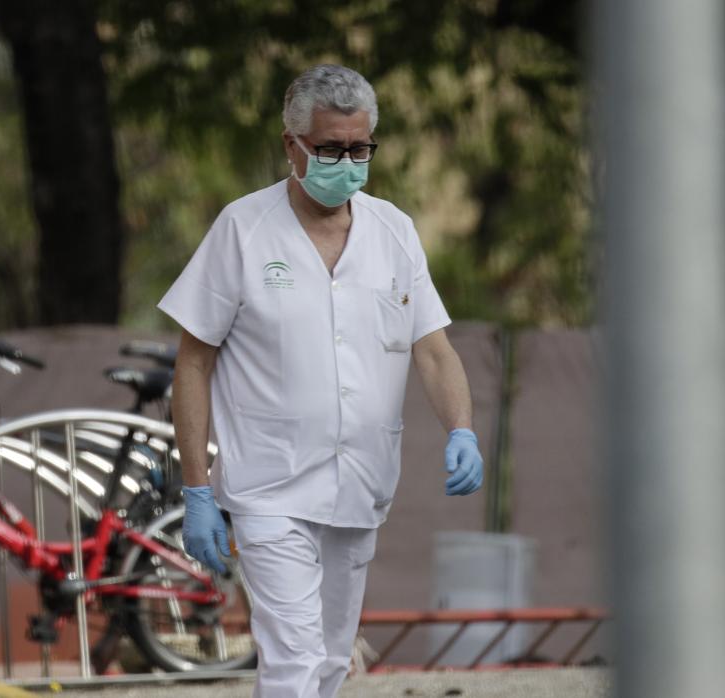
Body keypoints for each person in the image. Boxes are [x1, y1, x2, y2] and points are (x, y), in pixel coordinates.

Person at [158, 64, 484, 698]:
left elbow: (434, 350)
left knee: (332, 660)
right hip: (269, 486)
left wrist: (461, 429)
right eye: (330, 149)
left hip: (360, 483)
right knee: (293, 659)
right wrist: (196, 488)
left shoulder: (394, 232)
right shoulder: (243, 230)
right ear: (291, 145)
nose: (347, 162)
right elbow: (193, 362)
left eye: (359, 149)